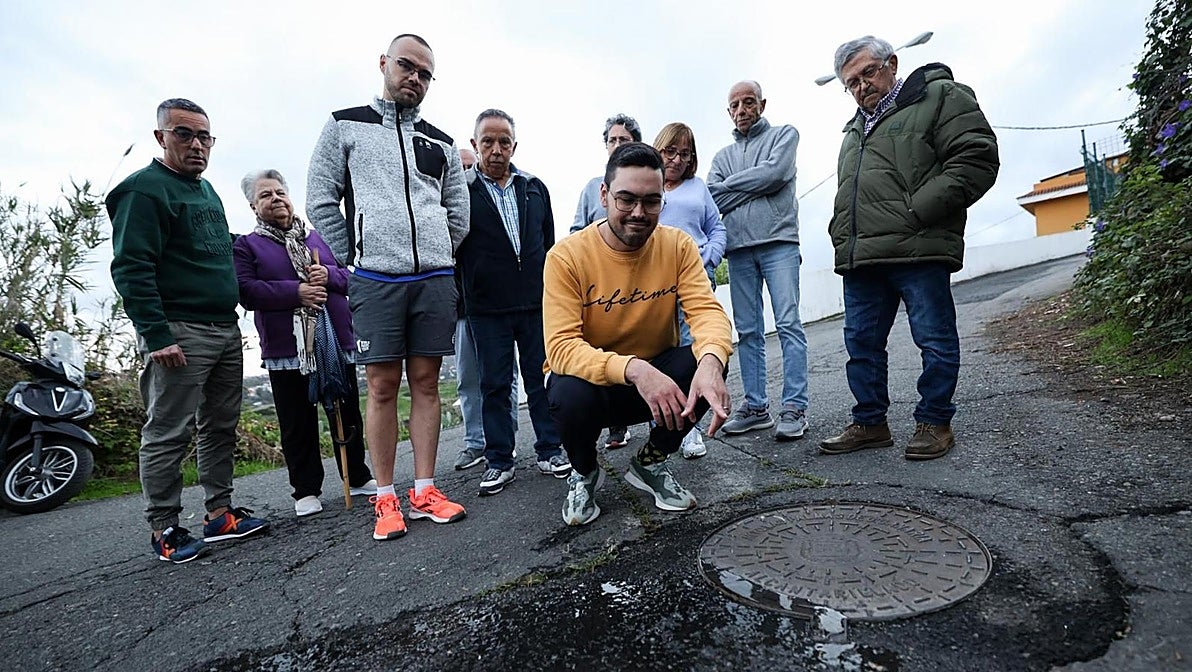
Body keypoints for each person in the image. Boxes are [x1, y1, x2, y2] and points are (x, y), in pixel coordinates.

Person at [306, 34, 469, 541]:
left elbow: (457, 211)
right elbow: (319, 198)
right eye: (407, 66)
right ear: (384, 63)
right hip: (375, 279)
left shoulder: (441, 141)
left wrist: (439, 251)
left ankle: (424, 489)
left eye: (425, 73)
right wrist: (356, 256)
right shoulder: (344, 125)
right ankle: (384, 497)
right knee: (381, 387)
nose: (414, 78)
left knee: (426, 382)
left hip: (434, 279)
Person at [820, 36, 999, 461]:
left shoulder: (937, 96)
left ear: (892, 64)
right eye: (851, 82)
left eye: (868, 72)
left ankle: (934, 421)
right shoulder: (853, 130)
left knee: (934, 339)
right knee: (860, 345)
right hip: (863, 256)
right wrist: (840, 232)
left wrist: (916, 211)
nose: (862, 86)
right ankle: (870, 423)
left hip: (919, 248)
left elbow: (976, 158)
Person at [108, 98, 268, 564]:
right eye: (184, 134)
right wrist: (156, 335)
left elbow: (218, 251)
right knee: (169, 431)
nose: (196, 144)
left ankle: (219, 513)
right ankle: (164, 527)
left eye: (204, 136)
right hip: (179, 330)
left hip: (223, 327)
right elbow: (132, 267)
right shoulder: (143, 191)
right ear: (161, 137)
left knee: (219, 425)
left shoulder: (207, 191)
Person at [544, 143, 734, 526]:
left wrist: (713, 361)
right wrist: (634, 369)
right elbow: (561, 348)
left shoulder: (677, 245)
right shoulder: (566, 256)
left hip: (659, 381)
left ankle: (650, 463)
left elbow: (708, 313)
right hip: (599, 385)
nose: (638, 213)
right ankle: (584, 471)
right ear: (604, 195)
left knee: (706, 362)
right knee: (565, 392)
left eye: (651, 202)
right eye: (626, 199)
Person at [233, 169, 377, 517]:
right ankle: (306, 489)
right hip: (288, 346)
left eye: (280, 192)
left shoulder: (317, 237)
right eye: (266, 195)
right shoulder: (247, 246)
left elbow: (350, 277)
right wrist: (295, 291)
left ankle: (356, 475)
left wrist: (329, 276)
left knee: (345, 408)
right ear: (253, 205)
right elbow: (246, 291)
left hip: (333, 338)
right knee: (297, 418)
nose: (276, 199)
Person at [457, 109, 570, 496]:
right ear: (475, 145)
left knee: (543, 378)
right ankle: (500, 460)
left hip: (536, 303)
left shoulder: (534, 188)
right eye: (487, 141)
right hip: (486, 308)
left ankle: (551, 449)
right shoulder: (461, 193)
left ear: (514, 146)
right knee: (494, 384)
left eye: (504, 141)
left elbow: (549, 244)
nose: (496, 149)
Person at [707, 80, 810, 441]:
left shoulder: (785, 136)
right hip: (738, 250)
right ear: (728, 111)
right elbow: (713, 200)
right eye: (734, 105)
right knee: (748, 331)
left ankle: (795, 407)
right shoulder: (721, 158)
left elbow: (776, 174)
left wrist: (744, 184)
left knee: (788, 323)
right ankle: (755, 407)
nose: (741, 110)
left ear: (762, 104)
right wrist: (760, 182)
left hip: (779, 243)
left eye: (748, 102)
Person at [651, 122, 727, 459]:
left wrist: (707, 259)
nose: (678, 159)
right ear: (659, 149)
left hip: (693, 281)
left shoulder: (698, 188)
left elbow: (717, 228)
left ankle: (689, 428)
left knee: (692, 352)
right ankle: (660, 423)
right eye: (671, 151)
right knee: (658, 354)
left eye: (685, 153)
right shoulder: (648, 185)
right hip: (653, 286)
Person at [570, 112, 643, 451]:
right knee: (599, 350)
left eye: (623, 141)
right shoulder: (590, 188)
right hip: (596, 287)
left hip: (635, 286)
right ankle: (599, 427)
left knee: (632, 348)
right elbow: (575, 232)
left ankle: (633, 421)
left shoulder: (644, 185)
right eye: (611, 140)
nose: (616, 145)